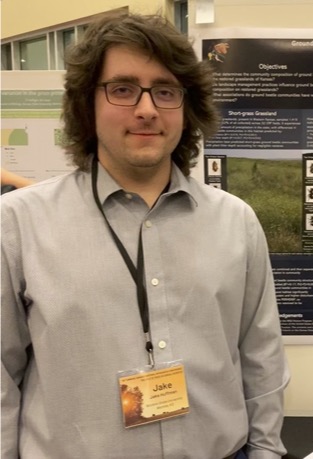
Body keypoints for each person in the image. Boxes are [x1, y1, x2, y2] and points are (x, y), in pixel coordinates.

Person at [1, 12, 289, 459]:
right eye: (122, 88)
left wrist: (267, 452)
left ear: (186, 107)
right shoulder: (18, 224)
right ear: (86, 104)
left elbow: (261, 356)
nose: (147, 109)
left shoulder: (236, 222)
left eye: (166, 91)